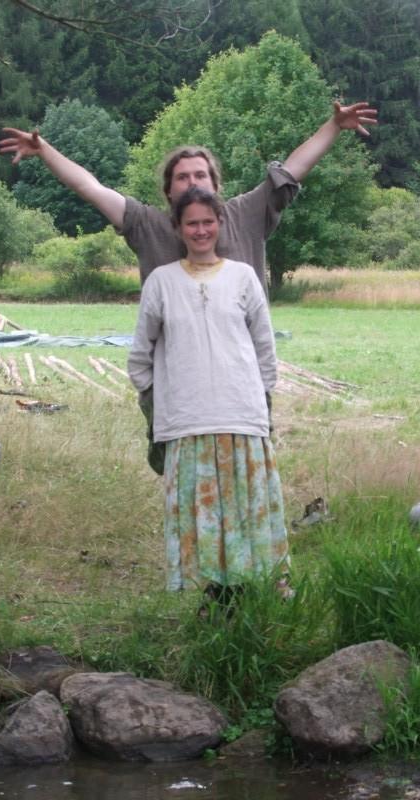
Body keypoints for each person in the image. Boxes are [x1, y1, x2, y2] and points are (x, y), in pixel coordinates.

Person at [0, 101, 377, 291]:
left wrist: (334, 126)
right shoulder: (146, 224)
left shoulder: (245, 213)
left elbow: (292, 170)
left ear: (215, 184)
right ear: (168, 190)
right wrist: (45, 151)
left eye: (200, 174)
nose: (192, 182)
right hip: (175, 373)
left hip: (237, 369)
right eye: (182, 177)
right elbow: (90, 187)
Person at [127, 186, 292, 605]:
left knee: (246, 505)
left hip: (241, 416)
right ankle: (217, 595)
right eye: (192, 223)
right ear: (178, 228)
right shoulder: (162, 282)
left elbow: (265, 347)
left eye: (207, 221)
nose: (200, 230)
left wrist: (259, 398)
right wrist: (161, 402)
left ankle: (258, 589)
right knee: (202, 511)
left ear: (219, 223)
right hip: (187, 422)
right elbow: (140, 355)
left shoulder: (243, 276)